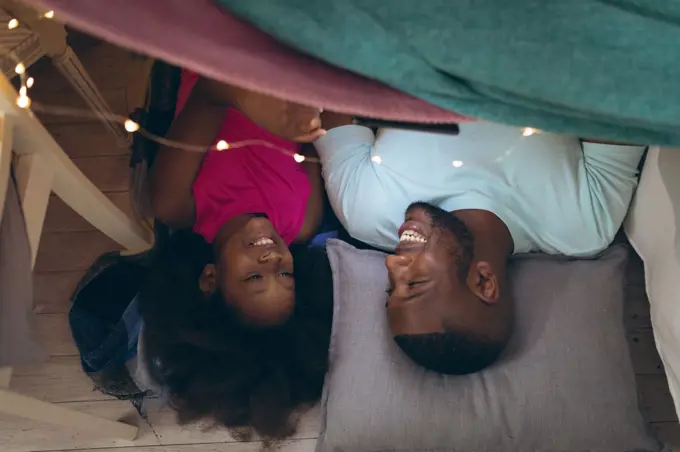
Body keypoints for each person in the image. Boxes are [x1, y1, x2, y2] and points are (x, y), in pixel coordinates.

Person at [314, 113, 645, 375]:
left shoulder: (366, 212)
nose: (390, 264)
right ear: (483, 281)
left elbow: (329, 95)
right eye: (414, 283)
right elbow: (615, 102)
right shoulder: (582, 223)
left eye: (391, 287)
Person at [142, 71, 332, 438]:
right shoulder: (303, 222)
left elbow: (212, 91)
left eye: (254, 277)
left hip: (216, 55)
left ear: (210, 278)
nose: (273, 261)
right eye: (285, 275)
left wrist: (267, 106)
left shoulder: (177, 203)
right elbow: (310, 141)